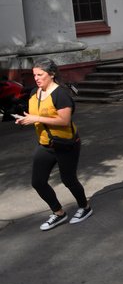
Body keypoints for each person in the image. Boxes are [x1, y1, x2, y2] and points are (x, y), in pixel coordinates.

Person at [16, 59, 92, 231]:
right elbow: (35, 115)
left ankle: (85, 207)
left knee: (68, 179)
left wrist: (35, 119)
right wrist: (25, 119)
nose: (36, 78)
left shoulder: (61, 94)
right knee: (38, 182)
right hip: (45, 145)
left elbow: (64, 120)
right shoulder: (35, 92)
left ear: (51, 74)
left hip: (66, 144)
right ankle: (58, 213)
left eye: (40, 74)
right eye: (34, 74)